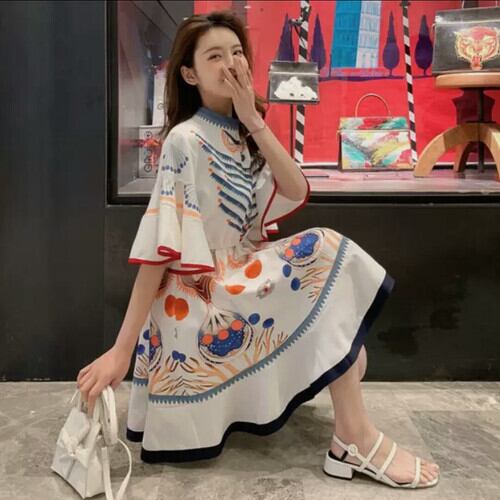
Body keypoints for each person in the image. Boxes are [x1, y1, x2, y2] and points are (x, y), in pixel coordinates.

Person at [76, 10, 440, 489]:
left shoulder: (244, 133)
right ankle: (354, 439)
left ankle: (351, 435)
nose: (230, 64)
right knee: (324, 249)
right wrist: (122, 350)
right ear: (190, 74)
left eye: (236, 53)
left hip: (239, 275)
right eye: (214, 56)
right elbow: (160, 251)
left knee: (349, 348)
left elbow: (296, 188)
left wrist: (253, 119)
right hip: (200, 292)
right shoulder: (184, 139)